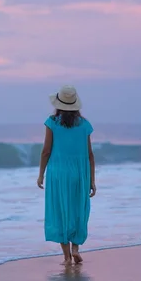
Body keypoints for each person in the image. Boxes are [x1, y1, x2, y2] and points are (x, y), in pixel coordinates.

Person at [37, 85, 96, 266]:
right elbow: (90, 154)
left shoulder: (52, 122)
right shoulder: (85, 125)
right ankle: (76, 248)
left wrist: (41, 174)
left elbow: (46, 151)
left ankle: (67, 256)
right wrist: (92, 180)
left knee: (60, 210)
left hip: (58, 173)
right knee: (78, 209)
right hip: (80, 172)